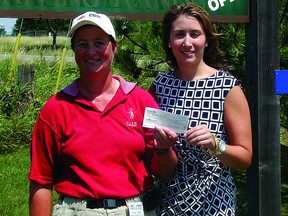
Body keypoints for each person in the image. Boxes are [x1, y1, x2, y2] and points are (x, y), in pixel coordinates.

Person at [28, 11, 179, 216]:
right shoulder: (55, 109)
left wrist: (163, 150)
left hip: (136, 209)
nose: (91, 52)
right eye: (82, 44)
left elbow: (165, 172)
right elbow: (41, 181)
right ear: (74, 50)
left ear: (114, 47)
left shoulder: (141, 101)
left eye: (99, 42)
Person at [148, 3, 253, 215]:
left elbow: (245, 159)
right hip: (169, 202)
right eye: (179, 34)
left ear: (206, 39)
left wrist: (216, 145)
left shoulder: (227, 87)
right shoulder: (159, 86)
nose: (187, 42)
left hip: (214, 201)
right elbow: (153, 160)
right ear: (169, 42)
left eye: (195, 34)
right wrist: (161, 148)